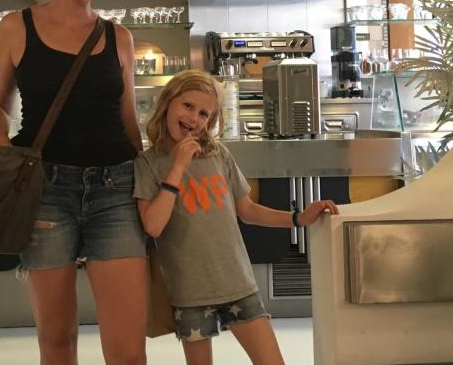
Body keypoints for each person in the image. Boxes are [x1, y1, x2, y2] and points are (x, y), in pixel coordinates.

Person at [0, 0, 147, 365]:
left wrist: (151, 180)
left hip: (116, 190)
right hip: (45, 191)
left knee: (128, 351)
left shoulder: (120, 37)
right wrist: (2, 149)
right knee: (56, 342)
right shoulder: (16, 26)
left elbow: (128, 119)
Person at [134, 70, 339, 365]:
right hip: (189, 293)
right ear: (168, 102)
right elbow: (153, 225)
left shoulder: (218, 155)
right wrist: (177, 167)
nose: (194, 118)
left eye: (204, 113)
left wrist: (299, 218)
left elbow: (249, 211)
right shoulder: (148, 163)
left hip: (238, 283)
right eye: (188, 106)